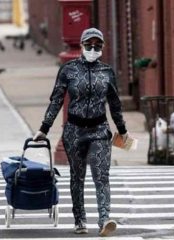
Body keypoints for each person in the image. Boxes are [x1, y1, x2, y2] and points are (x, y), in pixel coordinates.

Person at [33, 27, 129, 236]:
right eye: (89, 44)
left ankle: (104, 220)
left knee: (101, 175)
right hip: (74, 131)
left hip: (100, 130)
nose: (93, 48)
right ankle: (80, 219)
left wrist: (122, 131)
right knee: (78, 176)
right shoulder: (68, 70)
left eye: (98, 45)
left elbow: (115, 104)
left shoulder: (107, 72)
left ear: (102, 46)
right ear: (82, 45)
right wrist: (44, 129)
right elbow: (56, 100)